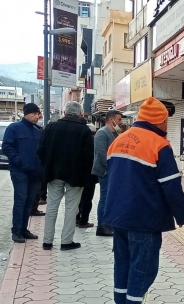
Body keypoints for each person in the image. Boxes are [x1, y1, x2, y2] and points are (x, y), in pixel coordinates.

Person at [102, 97, 184, 304]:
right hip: (144, 219)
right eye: (165, 121)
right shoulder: (158, 145)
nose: (166, 126)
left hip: (117, 217)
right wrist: (183, 217)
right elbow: (171, 186)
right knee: (142, 270)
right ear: (159, 120)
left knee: (123, 266)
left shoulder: (118, 141)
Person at [38, 102, 94, 251]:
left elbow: (41, 150)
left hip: (54, 174)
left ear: (64, 112)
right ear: (80, 113)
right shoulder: (84, 130)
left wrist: (48, 166)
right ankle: (66, 241)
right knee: (71, 208)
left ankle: (47, 241)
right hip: (76, 176)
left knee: (51, 207)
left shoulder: (51, 127)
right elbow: (89, 157)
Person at [2, 104, 44, 243]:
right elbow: (7, 147)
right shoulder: (14, 128)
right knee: (20, 201)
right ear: (28, 114)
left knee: (29, 202)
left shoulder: (37, 131)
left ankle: (24, 229)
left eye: (39, 114)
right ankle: (17, 231)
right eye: (36, 114)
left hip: (34, 173)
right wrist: (18, 161)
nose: (38, 117)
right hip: (19, 171)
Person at [92, 110, 122, 237]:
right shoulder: (102, 133)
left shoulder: (114, 133)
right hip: (105, 171)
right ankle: (102, 226)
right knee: (105, 198)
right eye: (119, 120)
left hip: (113, 171)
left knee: (111, 198)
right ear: (112, 120)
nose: (121, 123)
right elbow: (102, 153)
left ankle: (108, 224)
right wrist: (112, 168)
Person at [76, 123, 99, 229]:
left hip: (78, 174)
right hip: (90, 175)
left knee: (77, 198)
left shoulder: (77, 142)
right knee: (87, 198)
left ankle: (76, 218)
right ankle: (83, 220)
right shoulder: (93, 143)